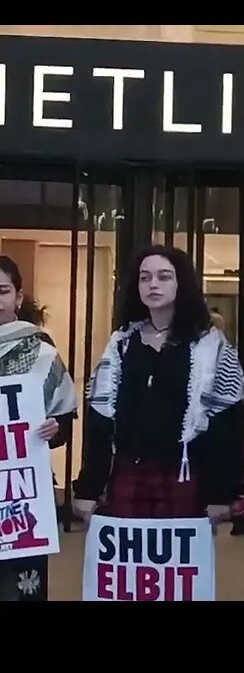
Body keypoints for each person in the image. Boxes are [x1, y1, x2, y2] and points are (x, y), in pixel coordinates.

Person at [73, 246, 244, 527]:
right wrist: (88, 489)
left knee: (180, 570)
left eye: (164, 276)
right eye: (145, 277)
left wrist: (223, 493)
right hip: (127, 472)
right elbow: (100, 420)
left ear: (182, 282)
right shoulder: (121, 343)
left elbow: (228, 422)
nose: (153, 284)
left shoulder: (212, 346)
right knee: (127, 569)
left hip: (185, 474)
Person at [0, 256, 76, 601]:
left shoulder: (41, 350)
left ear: (18, 296)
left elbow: (64, 419)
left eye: (2, 291)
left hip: (20, 490)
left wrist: (53, 428)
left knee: (20, 585)